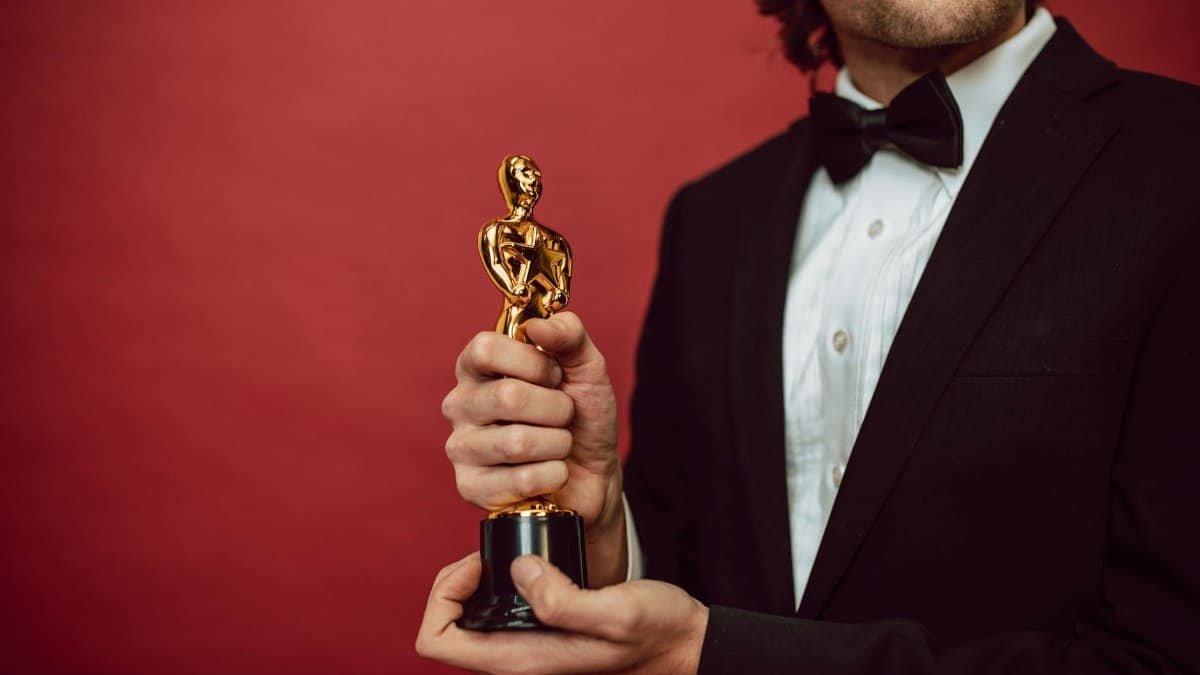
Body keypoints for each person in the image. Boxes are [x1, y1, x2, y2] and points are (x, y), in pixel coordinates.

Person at [418, 0, 1200, 672]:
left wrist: (715, 655)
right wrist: (608, 533)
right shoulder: (712, 221)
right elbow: (695, 572)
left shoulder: (1179, 166)